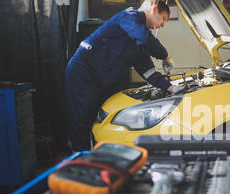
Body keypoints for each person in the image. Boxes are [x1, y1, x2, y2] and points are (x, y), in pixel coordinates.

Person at [65, 0, 180, 152]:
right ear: (154, 9)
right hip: (82, 71)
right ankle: (79, 164)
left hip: (97, 79)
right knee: (81, 120)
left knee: (95, 119)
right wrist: (165, 55)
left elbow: (149, 72)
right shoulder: (129, 16)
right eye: (163, 18)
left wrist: (171, 88)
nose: (163, 24)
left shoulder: (139, 43)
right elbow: (145, 38)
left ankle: (91, 157)